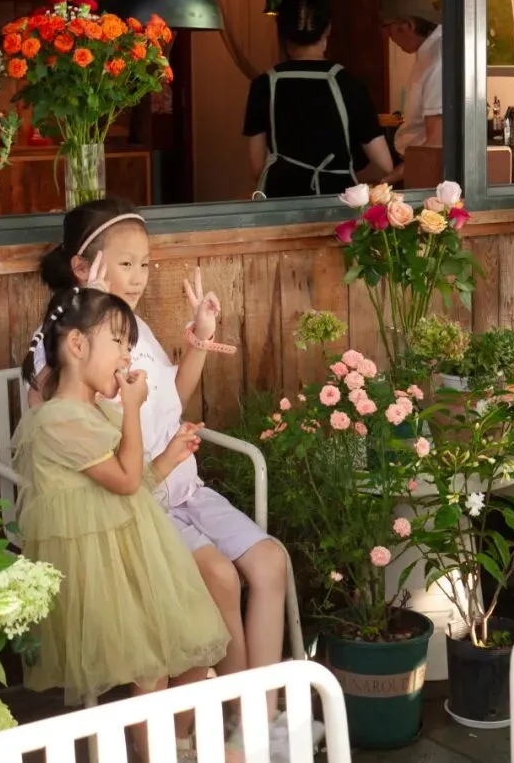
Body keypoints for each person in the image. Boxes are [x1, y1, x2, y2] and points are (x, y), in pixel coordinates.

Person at [30, 199, 308, 755]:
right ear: (82, 268)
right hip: (136, 499)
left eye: (144, 264)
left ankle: (262, 719)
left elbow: (172, 398)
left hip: (180, 483)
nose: (138, 277)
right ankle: (242, 727)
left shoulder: (133, 329)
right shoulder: (67, 337)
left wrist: (200, 338)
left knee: (270, 560)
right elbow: (54, 403)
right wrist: (98, 321)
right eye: (124, 264)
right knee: (220, 579)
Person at [14, 287, 235, 762]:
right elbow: (126, 479)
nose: (126, 356)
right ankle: (156, 752)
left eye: (130, 346)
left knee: (195, 649)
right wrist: (132, 408)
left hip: (134, 551)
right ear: (77, 345)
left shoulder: (97, 410)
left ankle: (172, 747)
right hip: (98, 569)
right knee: (150, 667)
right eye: (118, 342)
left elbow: (130, 483)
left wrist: (169, 458)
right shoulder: (58, 419)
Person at [243, 0, 393, 198]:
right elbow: (384, 165)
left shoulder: (264, 85)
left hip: (282, 202)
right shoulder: (350, 84)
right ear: (328, 29)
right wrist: (352, 177)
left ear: (282, 32)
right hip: (339, 201)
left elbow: (257, 168)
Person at [379, 0, 443, 186]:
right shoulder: (427, 52)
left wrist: (390, 179)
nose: (389, 38)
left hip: (423, 168)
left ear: (408, 26)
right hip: (412, 163)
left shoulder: (438, 60)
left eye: (388, 30)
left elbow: (436, 141)